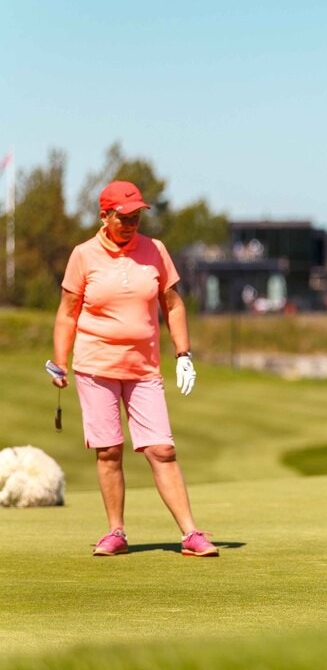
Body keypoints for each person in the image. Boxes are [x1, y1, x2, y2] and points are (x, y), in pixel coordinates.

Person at [51, 181, 218, 557]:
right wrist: (59, 362)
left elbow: (172, 304)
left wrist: (184, 354)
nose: (130, 224)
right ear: (104, 216)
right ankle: (116, 532)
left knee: (162, 449)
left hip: (144, 369)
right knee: (109, 451)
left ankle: (191, 534)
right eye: (123, 217)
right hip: (95, 367)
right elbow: (67, 314)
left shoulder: (155, 250)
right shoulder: (83, 255)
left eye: (136, 216)